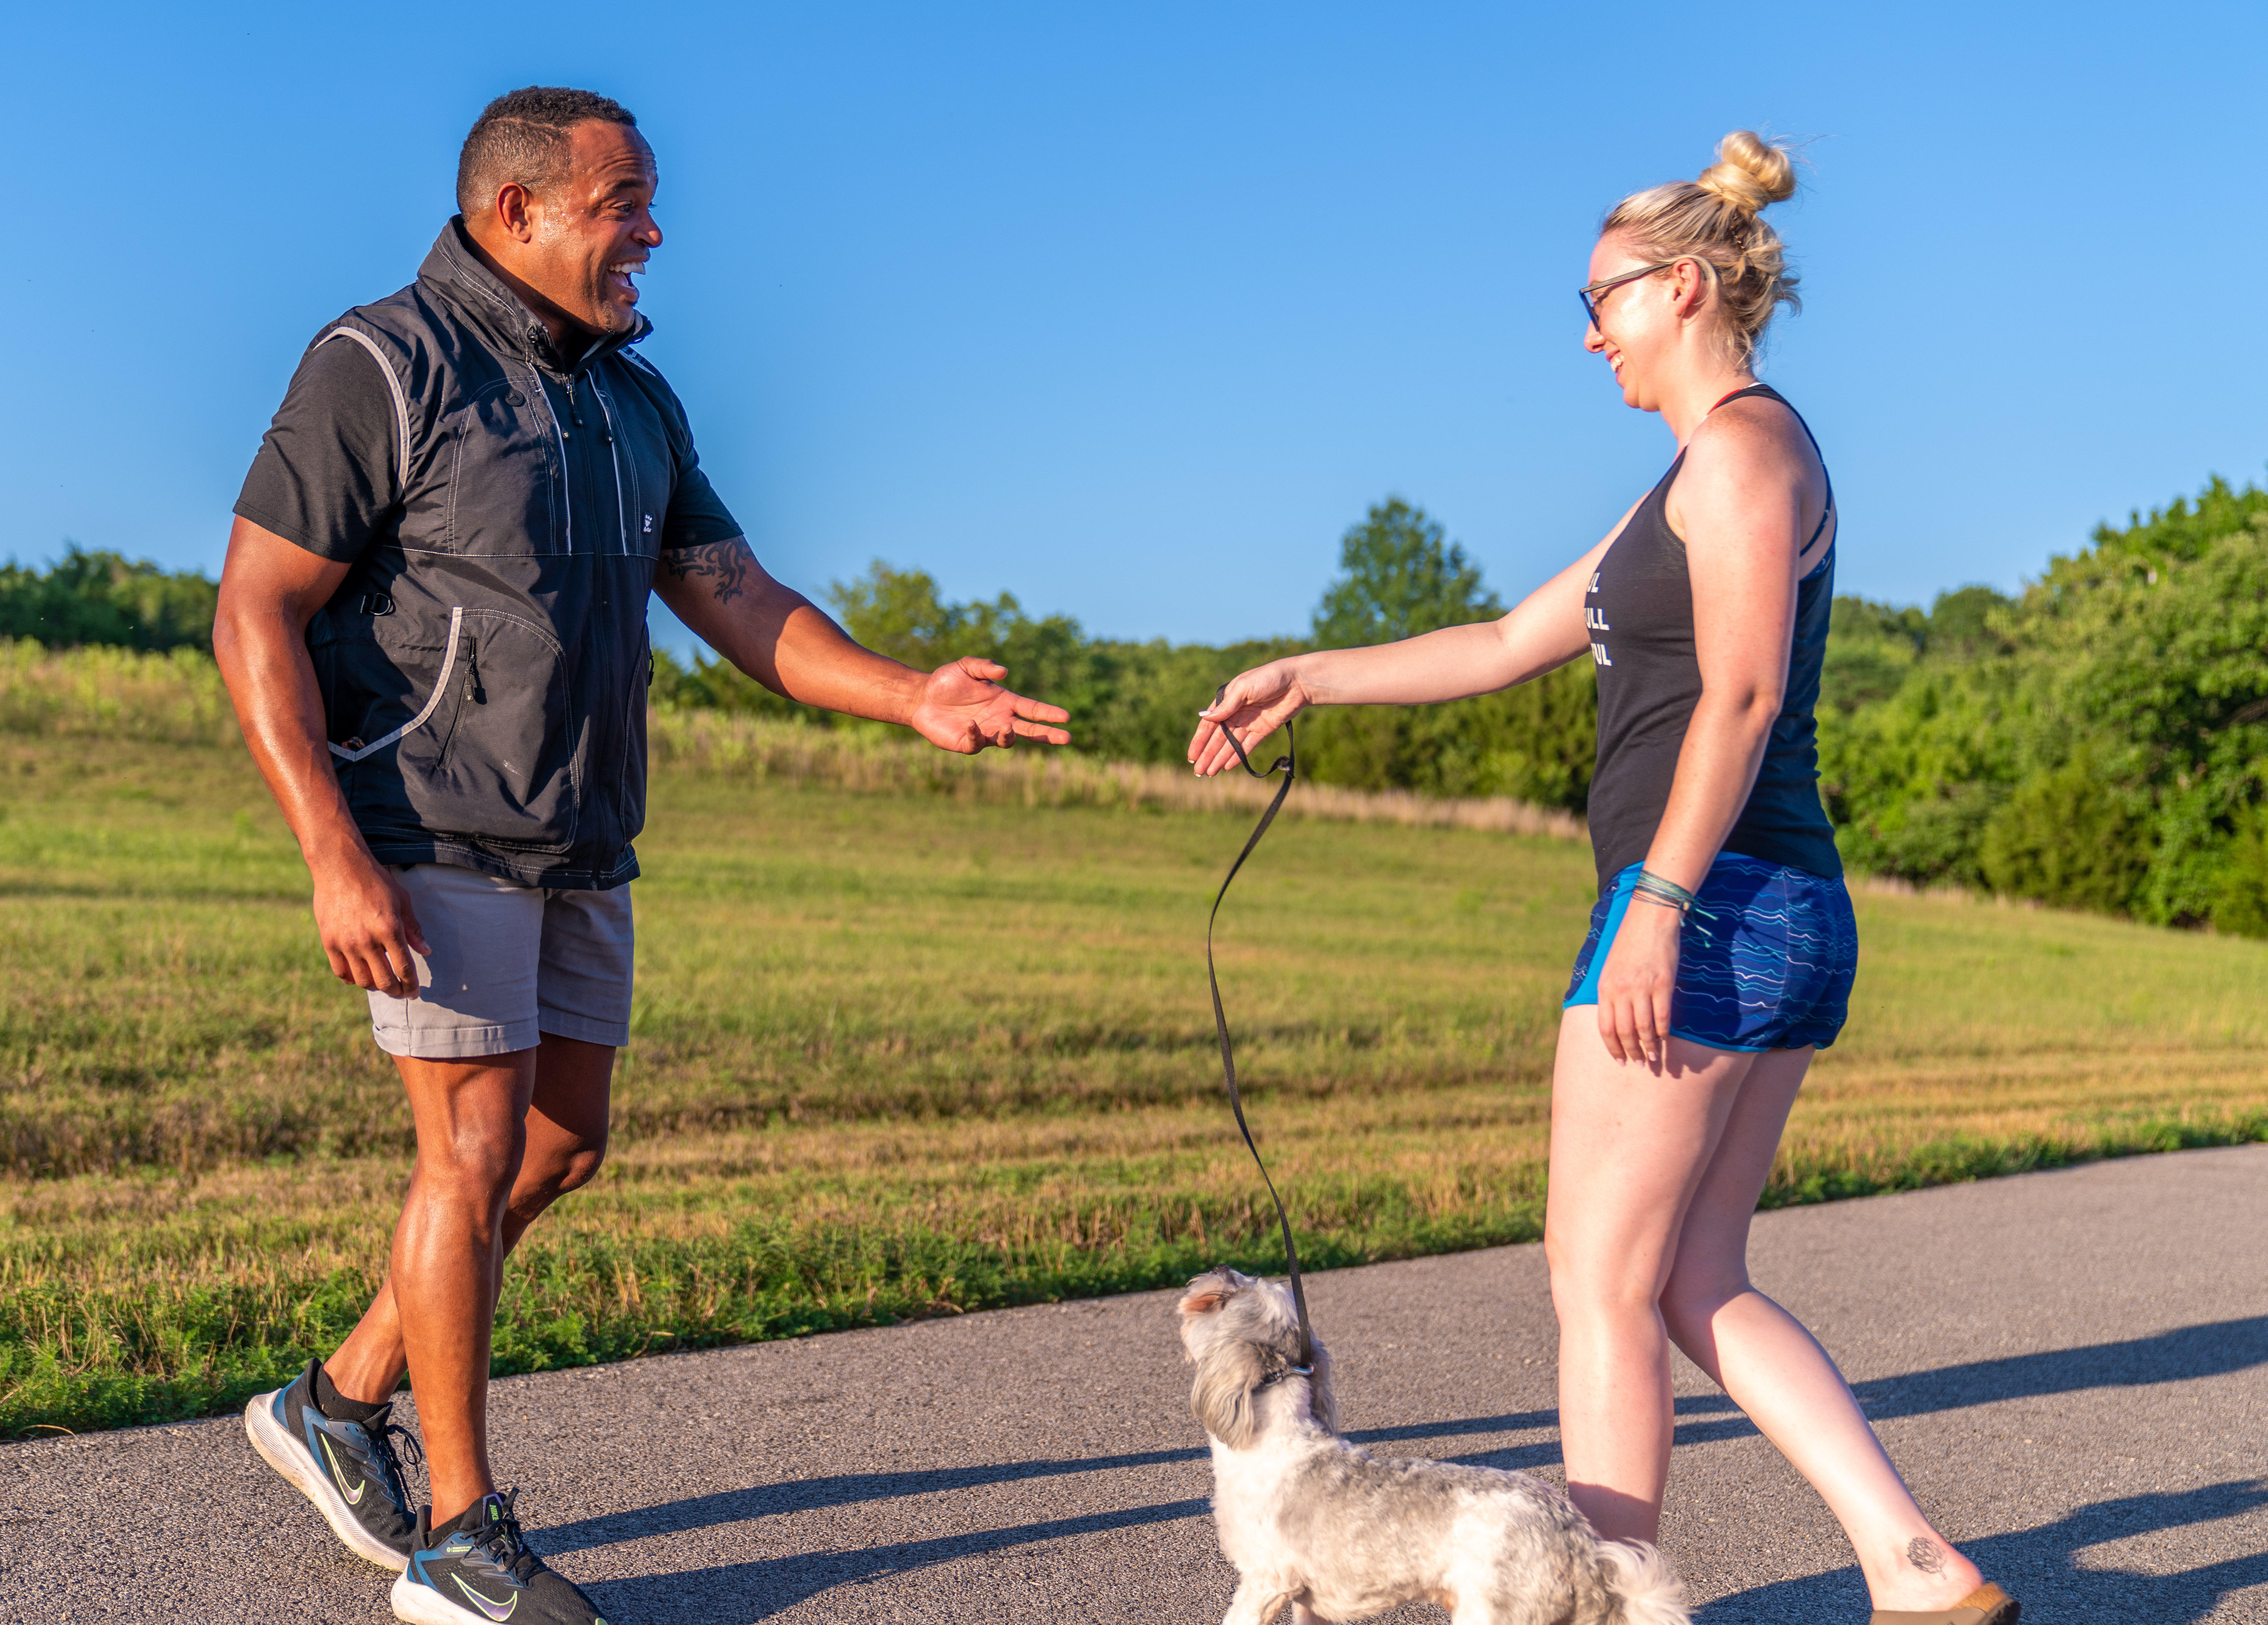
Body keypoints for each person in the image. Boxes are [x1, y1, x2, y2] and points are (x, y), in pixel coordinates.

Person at [215, 86, 1069, 1625]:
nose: (652, 232)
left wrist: (907, 692)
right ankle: (462, 1543)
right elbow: (255, 608)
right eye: (624, 203)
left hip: (581, 834)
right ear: (514, 211)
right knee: (466, 1161)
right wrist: (331, 853)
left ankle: (336, 1402)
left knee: (561, 1147)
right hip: (430, 821)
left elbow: (734, 592)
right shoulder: (383, 363)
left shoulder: (632, 403)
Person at [1189, 133, 2017, 1625]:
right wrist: (1303, 676)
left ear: (1679, 286)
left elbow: (1744, 696)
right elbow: (1502, 642)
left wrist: (1653, 903)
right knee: (1694, 1277)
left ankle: (1595, 1606)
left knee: (1597, 1284)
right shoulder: (1687, 481)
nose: (1587, 334)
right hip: (1756, 908)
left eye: (1600, 300)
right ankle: (1914, 1566)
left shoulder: (1748, 452)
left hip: (1714, 905)